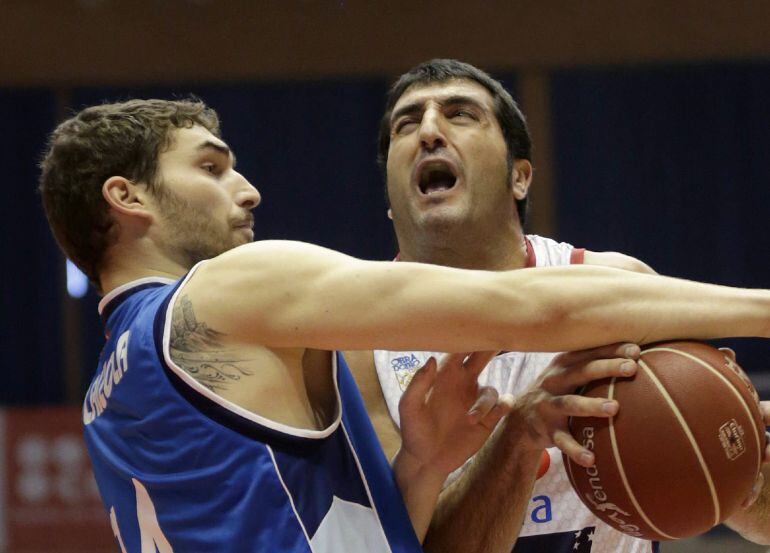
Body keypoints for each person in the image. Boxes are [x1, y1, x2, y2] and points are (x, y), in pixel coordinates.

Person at [39, 99, 770, 553]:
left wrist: (420, 466)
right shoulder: (221, 291)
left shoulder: (109, 392)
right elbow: (529, 307)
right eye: (211, 166)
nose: (248, 188)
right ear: (126, 195)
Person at [344, 58, 770, 552]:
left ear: (519, 177)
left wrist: (733, 466)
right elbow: (396, 545)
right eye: (407, 123)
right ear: (392, 201)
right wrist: (518, 437)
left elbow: (757, 517)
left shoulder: (614, 283)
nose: (431, 131)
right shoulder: (357, 346)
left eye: (461, 114)